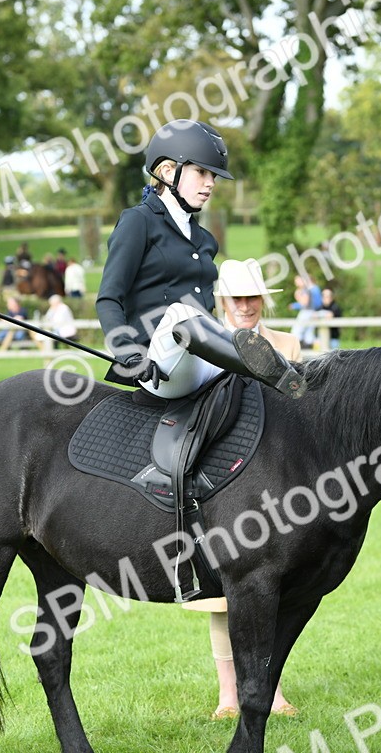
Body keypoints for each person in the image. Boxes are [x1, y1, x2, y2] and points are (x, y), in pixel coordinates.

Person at [95, 118, 304, 399]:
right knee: (183, 312)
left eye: (213, 176)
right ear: (168, 171)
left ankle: (283, 370)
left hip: (202, 363)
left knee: (216, 326)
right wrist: (128, 353)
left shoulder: (205, 240)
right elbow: (109, 298)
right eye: (202, 172)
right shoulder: (138, 222)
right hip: (159, 368)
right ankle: (262, 364)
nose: (211, 184)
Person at [182, 257, 299, 720]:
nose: (245, 306)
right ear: (222, 302)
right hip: (223, 478)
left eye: (252, 297)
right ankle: (228, 695)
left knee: (277, 588)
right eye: (237, 298)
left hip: (280, 477)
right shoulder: (208, 343)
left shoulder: (288, 344)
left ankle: (274, 690)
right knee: (222, 594)